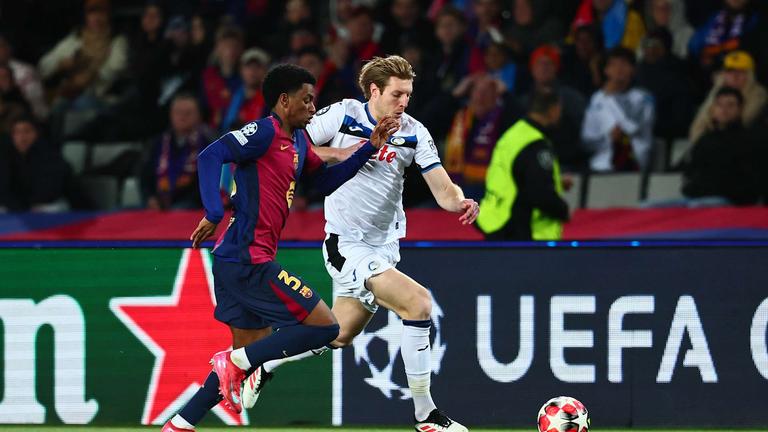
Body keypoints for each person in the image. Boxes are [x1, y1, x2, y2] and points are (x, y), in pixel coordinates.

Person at [243, 55, 478, 432]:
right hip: (345, 244)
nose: (404, 102)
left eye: (408, 94)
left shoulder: (415, 132)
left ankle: (262, 363)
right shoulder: (344, 115)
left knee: (336, 335)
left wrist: (461, 202)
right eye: (397, 94)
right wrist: (343, 153)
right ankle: (427, 416)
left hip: (384, 248)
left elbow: (443, 189)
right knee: (418, 304)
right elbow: (292, 145)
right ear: (374, 91)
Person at [161, 63, 398, 432]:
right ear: (284, 101)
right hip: (246, 258)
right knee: (324, 327)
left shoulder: (300, 142)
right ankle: (234, 363)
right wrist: (212, 210)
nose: (312, 107)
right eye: (306, 100)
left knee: (243, 362)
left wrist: (368, 149)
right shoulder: (263, 133)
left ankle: (180, 424)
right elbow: (210, 155)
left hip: (235, 259)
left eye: (313, 99)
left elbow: (324, 183)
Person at [476, 87, 570, 240]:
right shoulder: (536, 144)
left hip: (497, 223)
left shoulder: (513, 135)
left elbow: (512, 177)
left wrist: (558, 181)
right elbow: (541, 194)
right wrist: (563, 210)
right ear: (553, 109)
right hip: (522, 233)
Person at [680, 86, 760, 206]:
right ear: (712, 109)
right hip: (696, 198)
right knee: (648, 207)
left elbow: (748, 183)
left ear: (740, 109)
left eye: (730, 105)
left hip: (727, 202)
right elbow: (690, 171)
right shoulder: (705, 139)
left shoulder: (748, 141)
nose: (724, 109)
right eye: (719, 105)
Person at [581, 47, 654, 172]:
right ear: (606, 70)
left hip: (633, 164)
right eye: (613, 64)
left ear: (632, 69)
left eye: (624, 64)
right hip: (600, 166)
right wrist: (607, 139)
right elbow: (587, 139)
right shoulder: (597, 99)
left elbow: (632, 127)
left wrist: (609, 96)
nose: (619, 69)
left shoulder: (643, 98)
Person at [140, 93, 214, 210]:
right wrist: (150, 198)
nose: (182, 117)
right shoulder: (158, 143)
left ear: (199, 115)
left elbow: (209, 183)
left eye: (188, 113)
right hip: (158, 203)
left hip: (192, 206)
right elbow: (145, 175)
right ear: (170, 115)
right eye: (178, 112)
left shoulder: (209, 143)